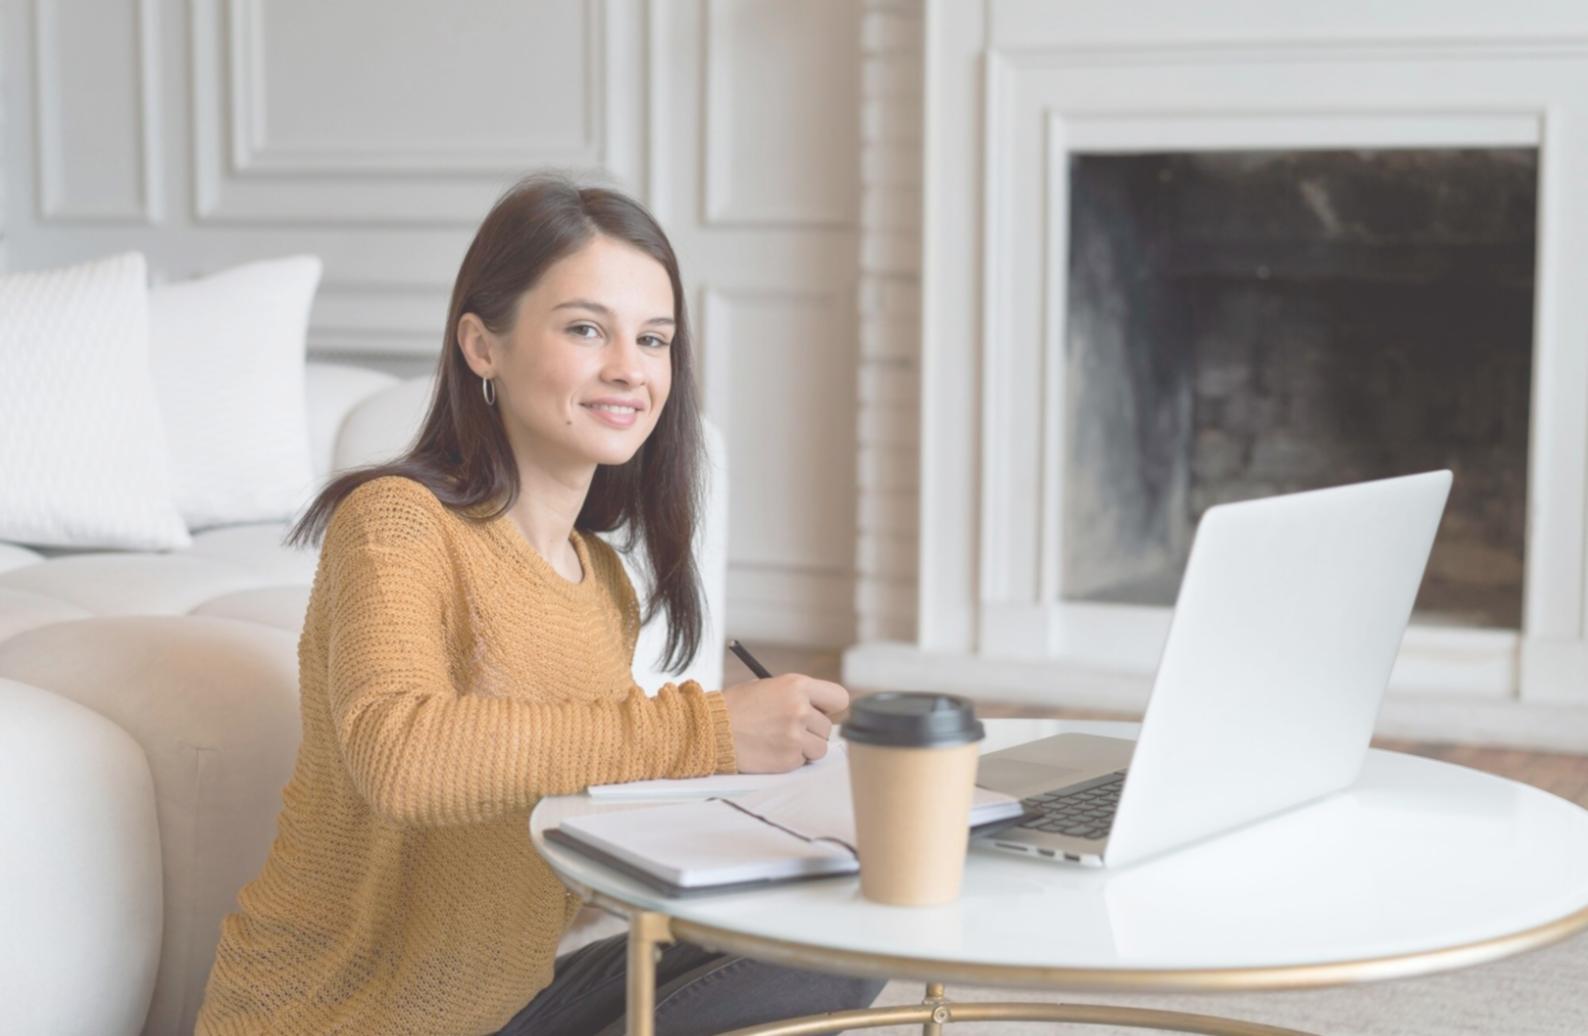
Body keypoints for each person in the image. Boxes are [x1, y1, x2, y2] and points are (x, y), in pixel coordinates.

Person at [193, 173, 886, 1035]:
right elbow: (401, 756)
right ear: (483, 346)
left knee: (840, 936)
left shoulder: (603, 581)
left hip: (502, 1008)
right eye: (587, 329)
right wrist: (707, 730)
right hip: (342, 1018)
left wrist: (787, 807)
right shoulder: (398, 525)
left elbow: (577, 795)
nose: (630, 369)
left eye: (655, 338)